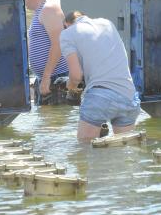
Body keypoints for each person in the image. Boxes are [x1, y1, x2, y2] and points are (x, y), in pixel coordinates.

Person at [60, 10, 140, 140]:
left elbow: (76, 76)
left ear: (66, 24)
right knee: (125, 151)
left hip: (99, 97)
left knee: (84, 151)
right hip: (128, 96)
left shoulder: (67, 34)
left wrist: (71, 88)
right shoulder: (107, 24)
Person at [26, 0, 68, 104]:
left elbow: (58, 44)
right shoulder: (40, 12)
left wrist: (46, 77)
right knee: (48, 122)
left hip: (56, 78)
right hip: (48, 78)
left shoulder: (48, 9)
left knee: (56, 121)